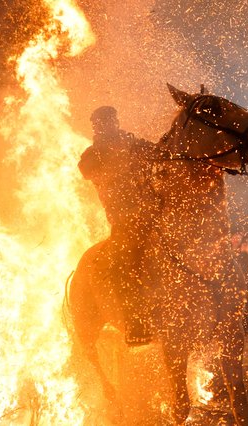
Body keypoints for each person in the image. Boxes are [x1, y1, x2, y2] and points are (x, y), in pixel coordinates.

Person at [78, 106, 159, 345]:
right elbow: (87, 171)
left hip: (155, 214)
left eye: (111, 119)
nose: (109, 124)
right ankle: (136, 323)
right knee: (125, 264)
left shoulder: (134, 143)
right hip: (125, 221)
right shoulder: (93, 154)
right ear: (96, 127)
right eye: (103, 122)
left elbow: (159, 154)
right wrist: (114, 153)